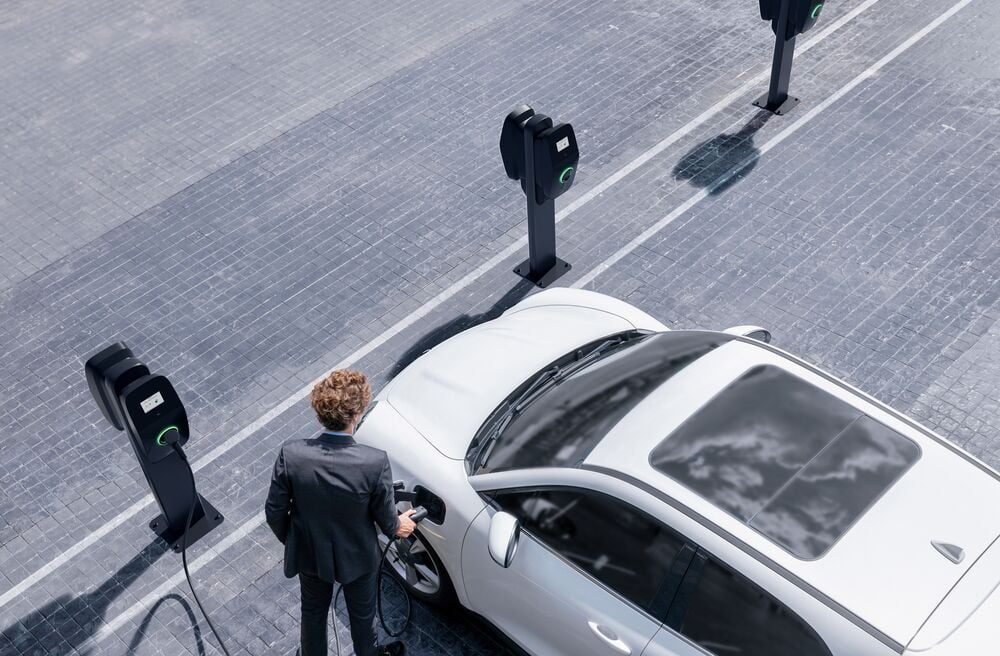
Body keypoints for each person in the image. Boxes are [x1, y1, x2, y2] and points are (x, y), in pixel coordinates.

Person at [265, 369, 417, 656]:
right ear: (357, 414)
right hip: (358, 557)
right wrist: (400, 525)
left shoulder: (291, 454)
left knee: (312, 612)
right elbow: (388, 522)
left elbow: (274, 511)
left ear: (320, 413)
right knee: (362, 618)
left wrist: (297, 540)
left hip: (309, 553)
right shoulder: (374, 463)